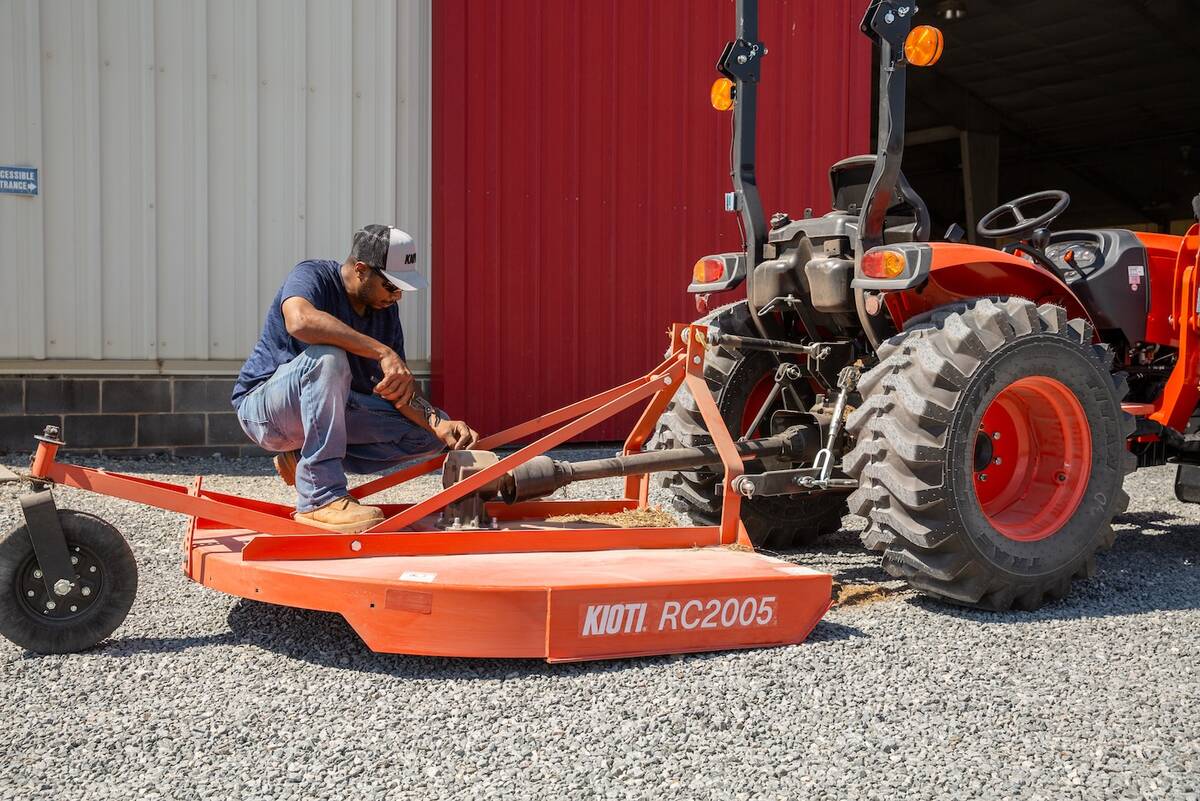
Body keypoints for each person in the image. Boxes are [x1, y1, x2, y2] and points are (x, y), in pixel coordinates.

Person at [231, 225, 479, 532]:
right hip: (266, 410)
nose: (397, 296)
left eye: (402, 288)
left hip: (331, 409)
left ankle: (301, 459)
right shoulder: (314, 276)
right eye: (391, 286)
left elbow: (397, 390)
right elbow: (299, 321)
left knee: (430, 434)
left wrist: (438, 422)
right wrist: (381, 351)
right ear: (361, 269)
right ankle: (320, 498)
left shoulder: (384, 312)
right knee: (328, 359)